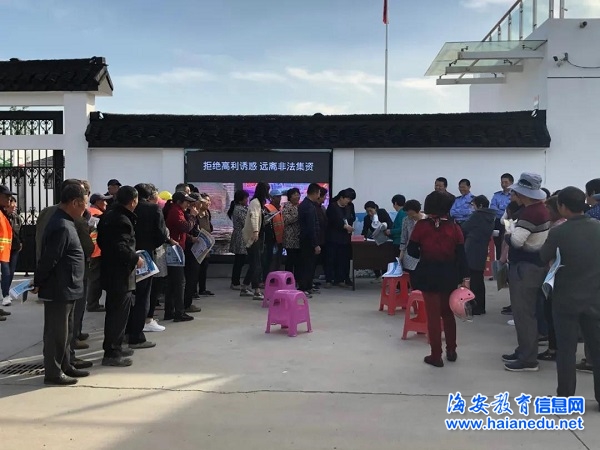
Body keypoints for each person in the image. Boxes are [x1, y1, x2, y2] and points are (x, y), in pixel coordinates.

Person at [539, 187, 600, 408]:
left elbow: (543, 256)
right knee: (597, 349)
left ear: (562, 206)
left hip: (565, 300)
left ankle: (565, 397)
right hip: (595, 298)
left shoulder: (558, 232)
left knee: (566, 351)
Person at [33, 184, 89, 385]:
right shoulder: (61, 225)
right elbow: (50, 259)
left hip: (69, 287)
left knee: (66, 331)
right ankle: (53, 373)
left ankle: (66, 365)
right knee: (56, 333)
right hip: (59, 288)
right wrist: (38, 281)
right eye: (84, 204)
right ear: (74, 203)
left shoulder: (67, 222)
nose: (85, 209)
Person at [407, 191, 469, 367]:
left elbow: (412, 251)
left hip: (428, 273)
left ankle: (436, 355)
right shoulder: (454, 227)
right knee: (448, 314)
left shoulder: (421, 226)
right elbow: (461, 255)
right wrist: (465, 278)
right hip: (449, 274)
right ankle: (451, 350)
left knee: (433, 316)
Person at [502, 173, 550, 372]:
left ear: (524, 194)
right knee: (529, 312)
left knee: (524, 314)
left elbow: (516, 241)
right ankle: (524, 350)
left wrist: (508, 233)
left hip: (525, 267)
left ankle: (528, 358)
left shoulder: (530, 213)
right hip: (536, 264)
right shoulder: (541, 209)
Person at [97, 186, 144, 367]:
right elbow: (120, 247)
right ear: (133, 201)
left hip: (111, 270)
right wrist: (135, 258)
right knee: (117, 313)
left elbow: (103, 241)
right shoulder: (122, 220)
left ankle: (115, 345)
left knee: (116, 312)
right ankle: (112, 352)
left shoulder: (109, 215)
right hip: (120, 273)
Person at [127, 183, 171, 346]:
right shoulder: (153, 209)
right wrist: (150, 246)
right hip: (145, 256)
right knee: (143, 296)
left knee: (127, 296)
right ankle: (137, 335)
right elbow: (161, 235)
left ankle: (126, 331)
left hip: (126, 255)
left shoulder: (122, 208)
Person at [537, 195, 566, 362]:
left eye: (548, 209)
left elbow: (545, 254)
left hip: (554, 276)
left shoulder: (556, 229)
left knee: (552, 314)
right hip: (563, 276)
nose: (546, 212)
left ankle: (554, 349)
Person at [164, 191, 196, 322]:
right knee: (179, 282)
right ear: (179, 202)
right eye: (186, 202)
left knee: (173, 283)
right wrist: (193, 216)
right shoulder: (176, 212)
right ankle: (179, 312)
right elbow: (185, 227)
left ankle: (170, 311)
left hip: (176, 248)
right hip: (174, 250)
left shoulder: (177, 211)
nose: (188, 204)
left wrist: (189, 238)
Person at [461, 195, 495, 315]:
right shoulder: (491, 216)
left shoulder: (478, 215)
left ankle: (475, 307)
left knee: (473, 279)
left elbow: (464, 227)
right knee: (479, 279)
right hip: (482, 248)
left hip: (472, 248)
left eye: (473, 205)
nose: (472, 207)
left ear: (479, 205)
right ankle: (480, 306)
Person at [241, 182, 270, 300]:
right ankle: (257, 290)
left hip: (257, 237)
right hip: (253, 237)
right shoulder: (255, 203)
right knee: (256, 264)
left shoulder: (258, 203)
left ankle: (244, 287)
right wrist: (256, 232)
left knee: (254, 263)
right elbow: (254, 217)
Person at [86, 193, 112, 313]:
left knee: (93, 278)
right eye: (103, 201)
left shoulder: (88, 212)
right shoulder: (97, 214)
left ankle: (92, 303)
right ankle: (92, 304)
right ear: (97, 202)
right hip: (97, 251)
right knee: (95, 279)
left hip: (92, 250)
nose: (106, 203)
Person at [325, 189, 354, 288]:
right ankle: (329, 279)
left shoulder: (348, 207)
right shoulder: (332, 206)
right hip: (332, 237)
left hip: (344, 237)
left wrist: (349, 227)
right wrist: (343, 226)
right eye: (347, 199)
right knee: (330, 259)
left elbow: (350, 219)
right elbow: (331, 221)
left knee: (342, 259)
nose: (348, 202)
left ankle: (340, 279)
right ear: (341, 198)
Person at [298, 183, 322, 296]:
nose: (319, 196)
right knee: (307, 265)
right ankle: (303, 288)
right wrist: (315, 244)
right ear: (315, 193)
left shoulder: (307, 204)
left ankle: (308, 286)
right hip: (308, 241)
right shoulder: (308, 207)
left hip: (306, 239)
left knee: (309, 265)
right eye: (319, 193)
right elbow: (311, 227)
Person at [361, 200, 393, 282]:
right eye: (367, 211)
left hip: (386, 238)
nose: (369, 213)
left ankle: (385, 276)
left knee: (384, 258)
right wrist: (362, 238)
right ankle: (378, 275)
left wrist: (384, 227)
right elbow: (365, 230)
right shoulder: (367, 218)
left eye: (371, 211)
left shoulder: (382, 212)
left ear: (375, 208)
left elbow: (389, 223)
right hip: (375, 240)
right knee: (374, 257)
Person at [2, 196, 22, 310]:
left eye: (15, 205)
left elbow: (20, 232)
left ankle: (6, 291)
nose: (14, 207)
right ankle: (5, 294)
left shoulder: (16, 218)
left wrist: (21, 242)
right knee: (6, 272)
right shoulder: (3, 216)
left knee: (11, 272)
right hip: (4, 248)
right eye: (12, 205)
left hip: (14, 248)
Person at [228, 190, 250, 290]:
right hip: (241, 236)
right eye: (246, 198)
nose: (247, 200)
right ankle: (235, 282)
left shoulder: (239, 208)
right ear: (241, 200)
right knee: (239, 261)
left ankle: (235, 281)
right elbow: (246, 223)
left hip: (239, 235)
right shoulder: (240, 210)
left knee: (239, 260)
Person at [195, 193, 215, 297]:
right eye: (206, 200)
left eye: (209, 200)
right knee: (196, 269)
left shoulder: (207, 213)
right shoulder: (195, 214)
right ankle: (193, 290)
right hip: (197, 243)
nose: (208, 202)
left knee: (204, 268)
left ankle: (202, 289)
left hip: (206, 244)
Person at [490, 173, 514, 260]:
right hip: (498, 222)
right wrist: (504, 212)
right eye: (502, 182)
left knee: (508, 243)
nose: (504, 184)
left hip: (510, 222)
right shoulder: (496, 195)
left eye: (506, 182)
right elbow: (493, 208)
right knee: (498, 244)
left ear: (511, 183)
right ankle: (499, 262)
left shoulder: (515, 195)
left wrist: (502, 211)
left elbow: (512, 209)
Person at [399, 200, 425, 273]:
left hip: (424, 254)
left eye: (413, 215)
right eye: (408, 215)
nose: (410, 217)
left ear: (418, 211)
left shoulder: (427, 220)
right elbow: (404, 238)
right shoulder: (406, 220)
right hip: (409, 254)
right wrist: (401, 254)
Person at [282, 188, 301, 280]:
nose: (297, 196)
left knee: (298, 261)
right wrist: (298, 215)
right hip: (290, 237)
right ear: (290, 196)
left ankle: (297, 279)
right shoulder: (286, 206)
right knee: (290, 260)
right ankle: (288, 279)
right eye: (295, 194)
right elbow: (286, 220)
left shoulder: (300, 206)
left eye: (298, 194)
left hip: (299, 237)